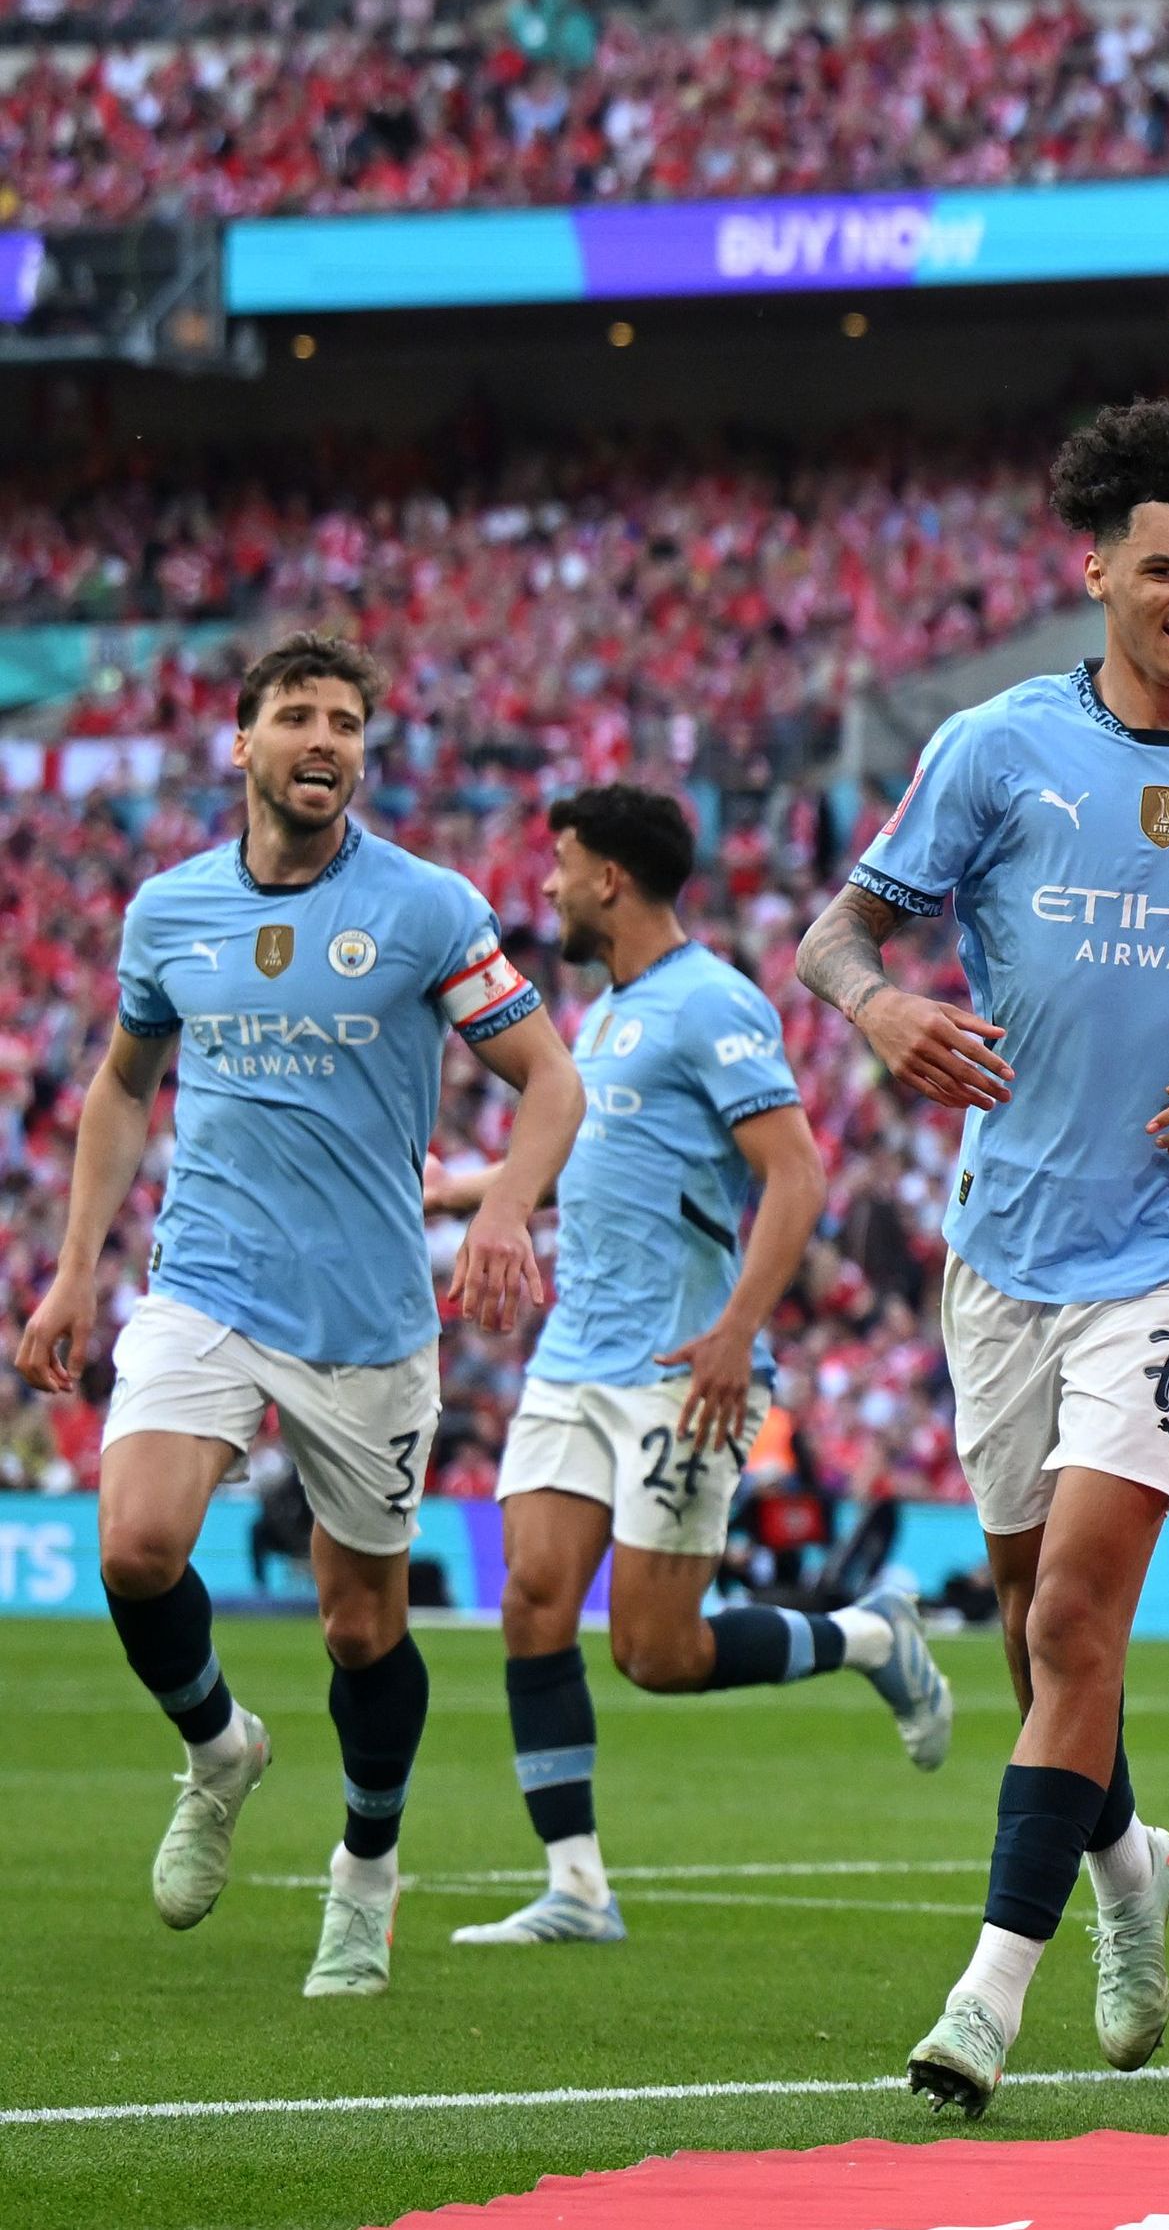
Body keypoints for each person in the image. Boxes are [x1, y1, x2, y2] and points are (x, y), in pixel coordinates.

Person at [799, 400, 1169, 2115]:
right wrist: (882, 1002)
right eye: (1167, 567)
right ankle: (1132, 1867)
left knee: (1078, 1612)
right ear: (1095, 567)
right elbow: (836, 929)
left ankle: (983, 1994)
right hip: (1006, 1244)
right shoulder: (994, 747)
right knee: (1049, 1649)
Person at [18, 632, 586, 1998]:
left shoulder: (425, 906)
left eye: (346, 719)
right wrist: (75, 1263)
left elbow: (550, 1078)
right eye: (297, 716)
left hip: (368, 1316)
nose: (325, 738)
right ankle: (218, 1746)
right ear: (243, 742)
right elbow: (119, 1084)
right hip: (205, 1280)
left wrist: (505, 1205)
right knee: (140, 1545)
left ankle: (365, 1870)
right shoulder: (168, 911)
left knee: (358, 1631)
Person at [439, 783, 950, 1950]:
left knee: (656, 1655)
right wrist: (461, 1190)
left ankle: (871, 1635)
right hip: (575, 1360)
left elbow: (798, 1174)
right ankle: (576, 1886)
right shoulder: (608, 1018)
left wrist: (733, 1331)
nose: (551, 887)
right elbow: (597, 1168)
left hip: (681, 1367)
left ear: (610, 878)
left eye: (562, 865)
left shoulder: (711, 1003)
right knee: (530, 1604)